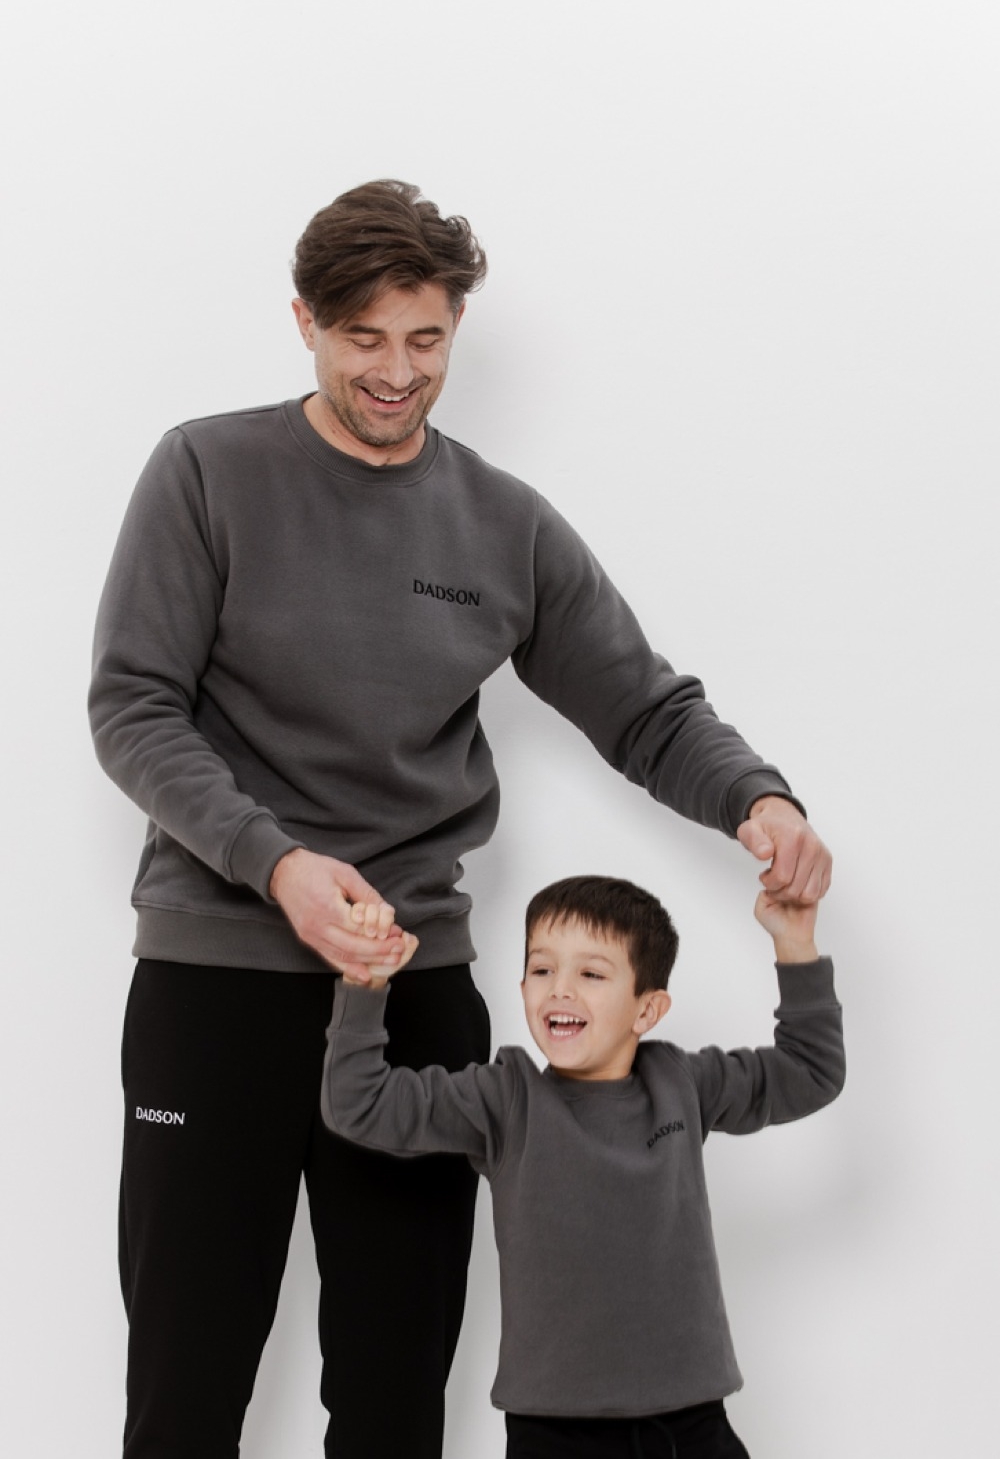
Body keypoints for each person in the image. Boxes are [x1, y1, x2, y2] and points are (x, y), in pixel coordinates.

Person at [89, 179, 832, 1459]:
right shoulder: (205, 471)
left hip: (415, 1000)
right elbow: (132, 707)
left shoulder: (502, 523)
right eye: (362, 339)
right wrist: (277, 865)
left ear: (457, 329)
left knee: (394, 1400)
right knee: (185, 1389)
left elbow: (645, 707)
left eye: (424, 339)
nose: (396, 372)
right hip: (215, 987)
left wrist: (756, 798)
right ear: (304, 324)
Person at [322, 874, 845, 1459]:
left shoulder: (681, 1083)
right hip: (556, 1434)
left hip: (692, 1424)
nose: (561, 990)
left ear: (647, 1009)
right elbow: (357, 1105)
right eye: (542, 970)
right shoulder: (505, 1098)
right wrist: (364, 986)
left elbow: (812, 1071)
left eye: (591, 974)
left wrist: (794, 943)